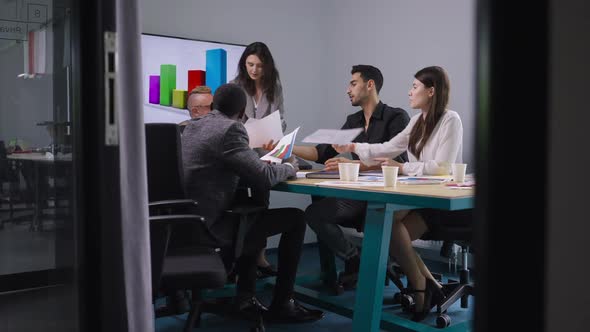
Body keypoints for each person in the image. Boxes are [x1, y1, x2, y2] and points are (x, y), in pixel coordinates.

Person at [333, 66, 472, 322]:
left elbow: (442, 168)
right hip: (419, 198)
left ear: (431, 92)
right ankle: (427, 285)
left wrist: (402, 167)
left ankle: (422, 288)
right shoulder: (417, 121)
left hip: (441, 202)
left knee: (390, 227)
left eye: (415, 87)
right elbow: (389, 147)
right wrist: (353, 146)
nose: (409, 92)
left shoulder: (450, 119)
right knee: (388, 226)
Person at [182, 83, 323, 323]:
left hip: (186, 223)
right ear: (241, 112)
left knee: (251, 212)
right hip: (211, 228)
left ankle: (245, 296)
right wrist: (289, 166)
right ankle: (282, 303)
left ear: (214, 105)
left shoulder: (191, 128)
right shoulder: (231, 130)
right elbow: (265, 177)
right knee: (295, 219)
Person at [265, 65, 410, 290]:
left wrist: (354, 164)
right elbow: (323, 153)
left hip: (389, 197)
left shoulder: (396, 117)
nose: (348, 89)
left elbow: (398, 163)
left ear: (369, 85)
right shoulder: (353, 121)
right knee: (316, 211)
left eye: (353, 83)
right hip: (359, 195)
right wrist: (286, 146)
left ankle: (358, 263)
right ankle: (355, 260)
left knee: (317, 211)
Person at [232, 41, 287, 276]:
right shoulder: (234, 87)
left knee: (263, 201)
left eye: (259, 66)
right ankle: (238, 258)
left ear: (268, 67)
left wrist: (276, 131)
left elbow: (281, 117)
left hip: (265, 153)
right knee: (240, 204)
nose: (254, 70)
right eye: (250, 64)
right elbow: (228, 122)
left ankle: (259, 255)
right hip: (240, 153)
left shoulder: (274, 87)